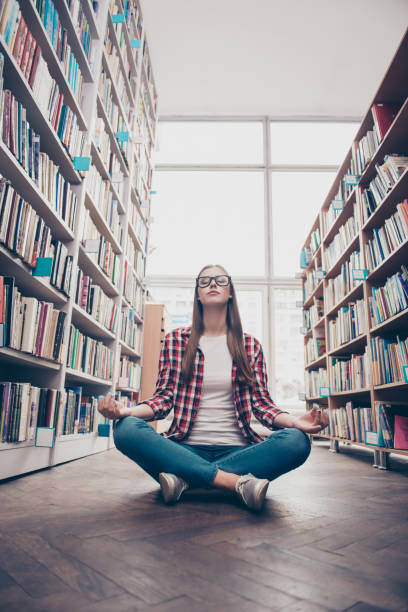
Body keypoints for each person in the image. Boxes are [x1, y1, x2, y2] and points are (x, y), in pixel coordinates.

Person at [97, 264, 329, 511]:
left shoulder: (249, 346)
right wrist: (125, 413)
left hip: (239, 451)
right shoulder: (176, 342)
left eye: (220, 280)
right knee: (125, 429)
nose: (213, 284)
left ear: (230, 292)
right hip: (184, 448)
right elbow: (163, 400)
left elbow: (263, 406)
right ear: (198, 294)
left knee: (297, 441)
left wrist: (295, 421)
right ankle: (235, 483)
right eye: (205, 281)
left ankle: (185, 480)